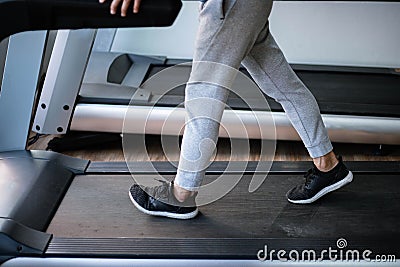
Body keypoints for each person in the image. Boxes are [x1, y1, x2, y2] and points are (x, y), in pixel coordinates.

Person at [100, 0, 353, 220]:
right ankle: (327, 165)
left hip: (230, 4)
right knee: (284, 85)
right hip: (249, 5)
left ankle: (181, 195)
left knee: (204, 93)